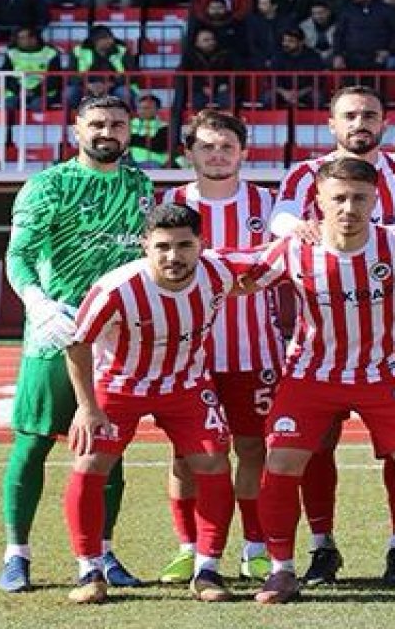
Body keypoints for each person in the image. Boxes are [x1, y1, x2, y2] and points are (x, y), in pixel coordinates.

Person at [266, 85, 395, 586]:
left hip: (393, 331)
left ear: (384, 122)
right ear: (332, 124)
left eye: (370, 115)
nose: (360, 123)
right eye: (349, 115)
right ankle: (321, 544)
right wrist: (299, 229)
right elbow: (281, 217)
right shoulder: (305, 174)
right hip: (322, 332)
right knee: (314, 447)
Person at [64, 202, 285, 604]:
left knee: (213, 461)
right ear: (145, 245)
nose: (174, 256)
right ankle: (89, 570)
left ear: (201, 244)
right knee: (91, 463)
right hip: (121, 386)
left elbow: (262, 268)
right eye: (163, 246)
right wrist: (87, 407)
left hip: (185, 385)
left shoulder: (217, 271)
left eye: (185, 245)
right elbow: (77, 345)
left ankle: (206, 568)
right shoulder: (116, 289)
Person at [0, 95, 153, 593]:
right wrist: (38, 305)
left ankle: (102, 552)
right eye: (98, 124)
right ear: (77, 129)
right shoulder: (48, 185)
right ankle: (16, 553)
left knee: (108, 449)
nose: (108, 132)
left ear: (131, 131)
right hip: (56, 334)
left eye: (118, 124)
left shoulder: (140, 185)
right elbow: (17, 256)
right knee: (34, 442)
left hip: (116, 338)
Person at [155, 111, 286, 584]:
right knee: (186, 454)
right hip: (188, 356)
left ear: (243, 152)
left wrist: (231, 273)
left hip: (255, 352)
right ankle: (189, 548)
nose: (217, 154)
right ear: (188, 152)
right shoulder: (168, 203)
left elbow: (282, 259)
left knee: (254, 449)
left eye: (226, 146)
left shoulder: (269, 203)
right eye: (207, 146)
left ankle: (254, 547)